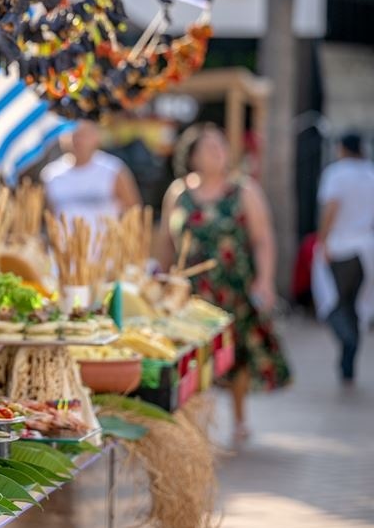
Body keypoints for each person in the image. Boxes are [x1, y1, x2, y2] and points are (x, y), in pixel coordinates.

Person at [159, 124, 290, 443]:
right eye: (209, 147)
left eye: (221, 145)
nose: (218, 151)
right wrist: (161, 280)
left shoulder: (243, 191)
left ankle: (240, 417)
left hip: (234, 286)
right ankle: (198, 416)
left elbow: (262, 238)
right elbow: (165, 240)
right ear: (193, 156)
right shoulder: (179, 193)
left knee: (237, 352)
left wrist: (265, 281)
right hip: (192, 292)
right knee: (194, 354)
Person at [316, 133, 374, 386]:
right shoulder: (371, 174)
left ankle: (348, 344)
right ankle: (347, 363)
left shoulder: (337, 174)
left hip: (341, 247)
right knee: (353, 307)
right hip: (366, 249)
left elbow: (331, 208)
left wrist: (323, 239)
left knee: (337, 305)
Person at [40, 120, 141, 234]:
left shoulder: (113, 170)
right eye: (72, 134)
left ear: (96, 137)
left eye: (83, 135)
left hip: (106, 250)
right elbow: (48, 215)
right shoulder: (50, 175)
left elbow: (133, 211)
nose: (77, 140)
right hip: (63, 250)